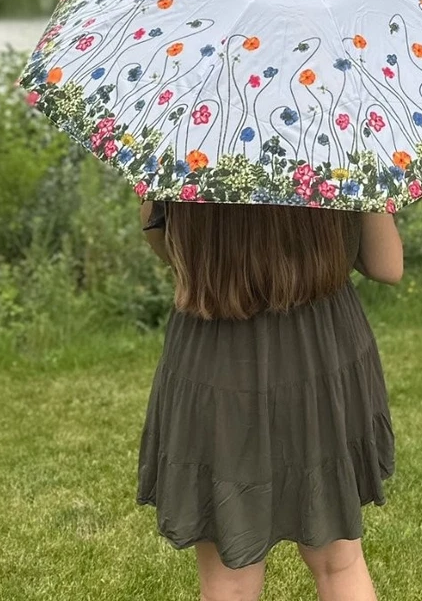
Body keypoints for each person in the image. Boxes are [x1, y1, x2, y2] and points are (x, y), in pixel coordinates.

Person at [135, 198, 403, 601]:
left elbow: (163, 246)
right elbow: (387, 267)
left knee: (230, 579)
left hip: (215, 355)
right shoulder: (337, 146)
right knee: (338, 562)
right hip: (319, 353)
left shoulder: (186, 148)